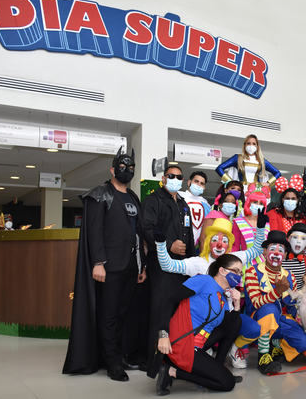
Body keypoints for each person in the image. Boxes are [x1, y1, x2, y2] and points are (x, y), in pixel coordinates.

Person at [63, 147, 146, 381]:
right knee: (108, 315)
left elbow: (139, 233)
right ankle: (112, 363)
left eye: (131, 168)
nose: (127, 171)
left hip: (132, 266)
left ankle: (118, 355)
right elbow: (95, 231)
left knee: (123, 315)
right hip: (109, 267)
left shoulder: (133, 197)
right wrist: (98, 262)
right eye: (122, 167)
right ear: (112, 169)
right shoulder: (101, 194)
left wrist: (143, 266)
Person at [154, 254, 246, 393]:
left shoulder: (222, 296)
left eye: (241, 273)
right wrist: (163, 334)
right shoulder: (203, 281)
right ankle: (172, 372)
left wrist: (237, 304)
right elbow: (169, 300)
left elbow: (230, 326)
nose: (239, 276)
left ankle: (217, 367)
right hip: (184, 343)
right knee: (227, 383)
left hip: (199, 343)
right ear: (222, 270)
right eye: (236, 271)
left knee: (235, 322)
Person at [141, 165, 196, 366]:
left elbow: (189, 234)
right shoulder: (153, 200)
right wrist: (169, 243)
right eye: (171, 176)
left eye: (179, 177)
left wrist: (192, 260)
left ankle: (173, 358)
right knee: (160, 309)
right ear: (163, 178)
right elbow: (147, 228)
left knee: (176, 310)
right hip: (161, 264)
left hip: (182, 266)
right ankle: (153, 360)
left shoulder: (183, 203)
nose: (175, 179)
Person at [243, 230, 306, 374]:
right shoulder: (252, 271)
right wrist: (277, 291)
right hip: (256, 321)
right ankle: (263, 356)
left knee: (303, 342)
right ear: (265, 252)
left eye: (281, 250)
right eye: (272, 249)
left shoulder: (289, 275)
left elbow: (292, 306)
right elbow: (256, 303)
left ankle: (274, 345)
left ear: (285, 255)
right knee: (269, 308)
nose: (276, 253)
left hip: (279, 319)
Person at [215, 134, 281, 188]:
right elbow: (219, 168)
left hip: (256, 190)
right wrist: (231, 183)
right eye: (248, 143)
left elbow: (277, 173)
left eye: (254, 143)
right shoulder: (238, 158)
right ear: (244, 145)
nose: (251, 146)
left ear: (257, 146)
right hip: (241, 189)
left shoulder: (261, 161)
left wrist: (268, 183)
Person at [232, 190, 270, 267]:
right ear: (249, 203)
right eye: (255, 202)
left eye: (261, 203)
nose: (258, 205)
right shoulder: (238, 222)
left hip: (263, 266)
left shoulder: (267, 224)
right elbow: (235, 247)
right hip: (245, 265)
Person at [178, 171, 210, 245]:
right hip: (178, 242)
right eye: (196, 181)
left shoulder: (205, 204)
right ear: (189, 182)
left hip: (196, 246)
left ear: (204, 187)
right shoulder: (178, 196)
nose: (199, 185)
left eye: (202, 183)